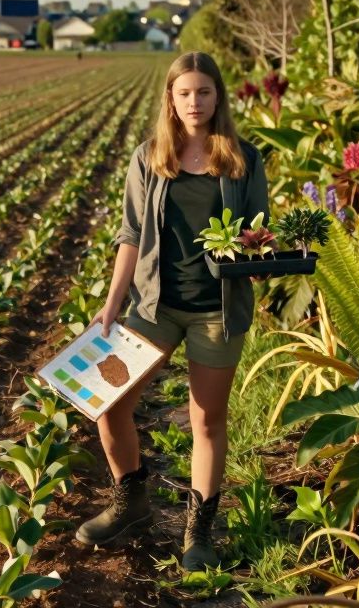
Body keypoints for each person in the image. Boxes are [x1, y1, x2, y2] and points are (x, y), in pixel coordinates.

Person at [74, 51, 269, 572]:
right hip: (153, 306)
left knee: (207, 421)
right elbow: (131, 235)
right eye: (184, 93)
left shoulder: (244, 159)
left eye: (203, 92)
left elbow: (258, 230)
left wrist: (261, 250)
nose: (194, 102)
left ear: (218, 96)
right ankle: (131, 502)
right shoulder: (150, 157)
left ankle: (198, 531)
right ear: (171, 98)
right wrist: (111, 306)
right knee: (109, 402)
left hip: (216, 311)